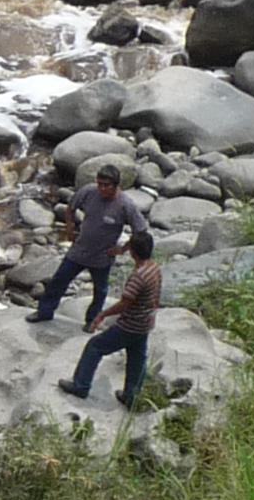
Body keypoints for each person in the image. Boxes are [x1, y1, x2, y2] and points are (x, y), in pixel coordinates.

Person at [31, 165, 156, 326]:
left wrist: (122, 249)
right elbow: (71, 208)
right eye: (100, 184)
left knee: (100, 292)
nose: (102, 189)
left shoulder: (125, 205)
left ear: (116, 185)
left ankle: (92, 320)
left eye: (106, 185)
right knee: (58, 282)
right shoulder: (89, 192)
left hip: (102, 257)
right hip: (79, 251)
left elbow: (141, 231)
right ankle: (44, 312)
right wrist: (69, 228)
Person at [61, 243, 162, 411]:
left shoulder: (138, 277)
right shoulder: (154, 268)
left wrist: (102, 315)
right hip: (146, 322)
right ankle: (131, 395)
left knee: (95, 346)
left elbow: (124, 303)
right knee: (137, 358)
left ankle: (81, 385)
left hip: (130, 324)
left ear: (133, 253)